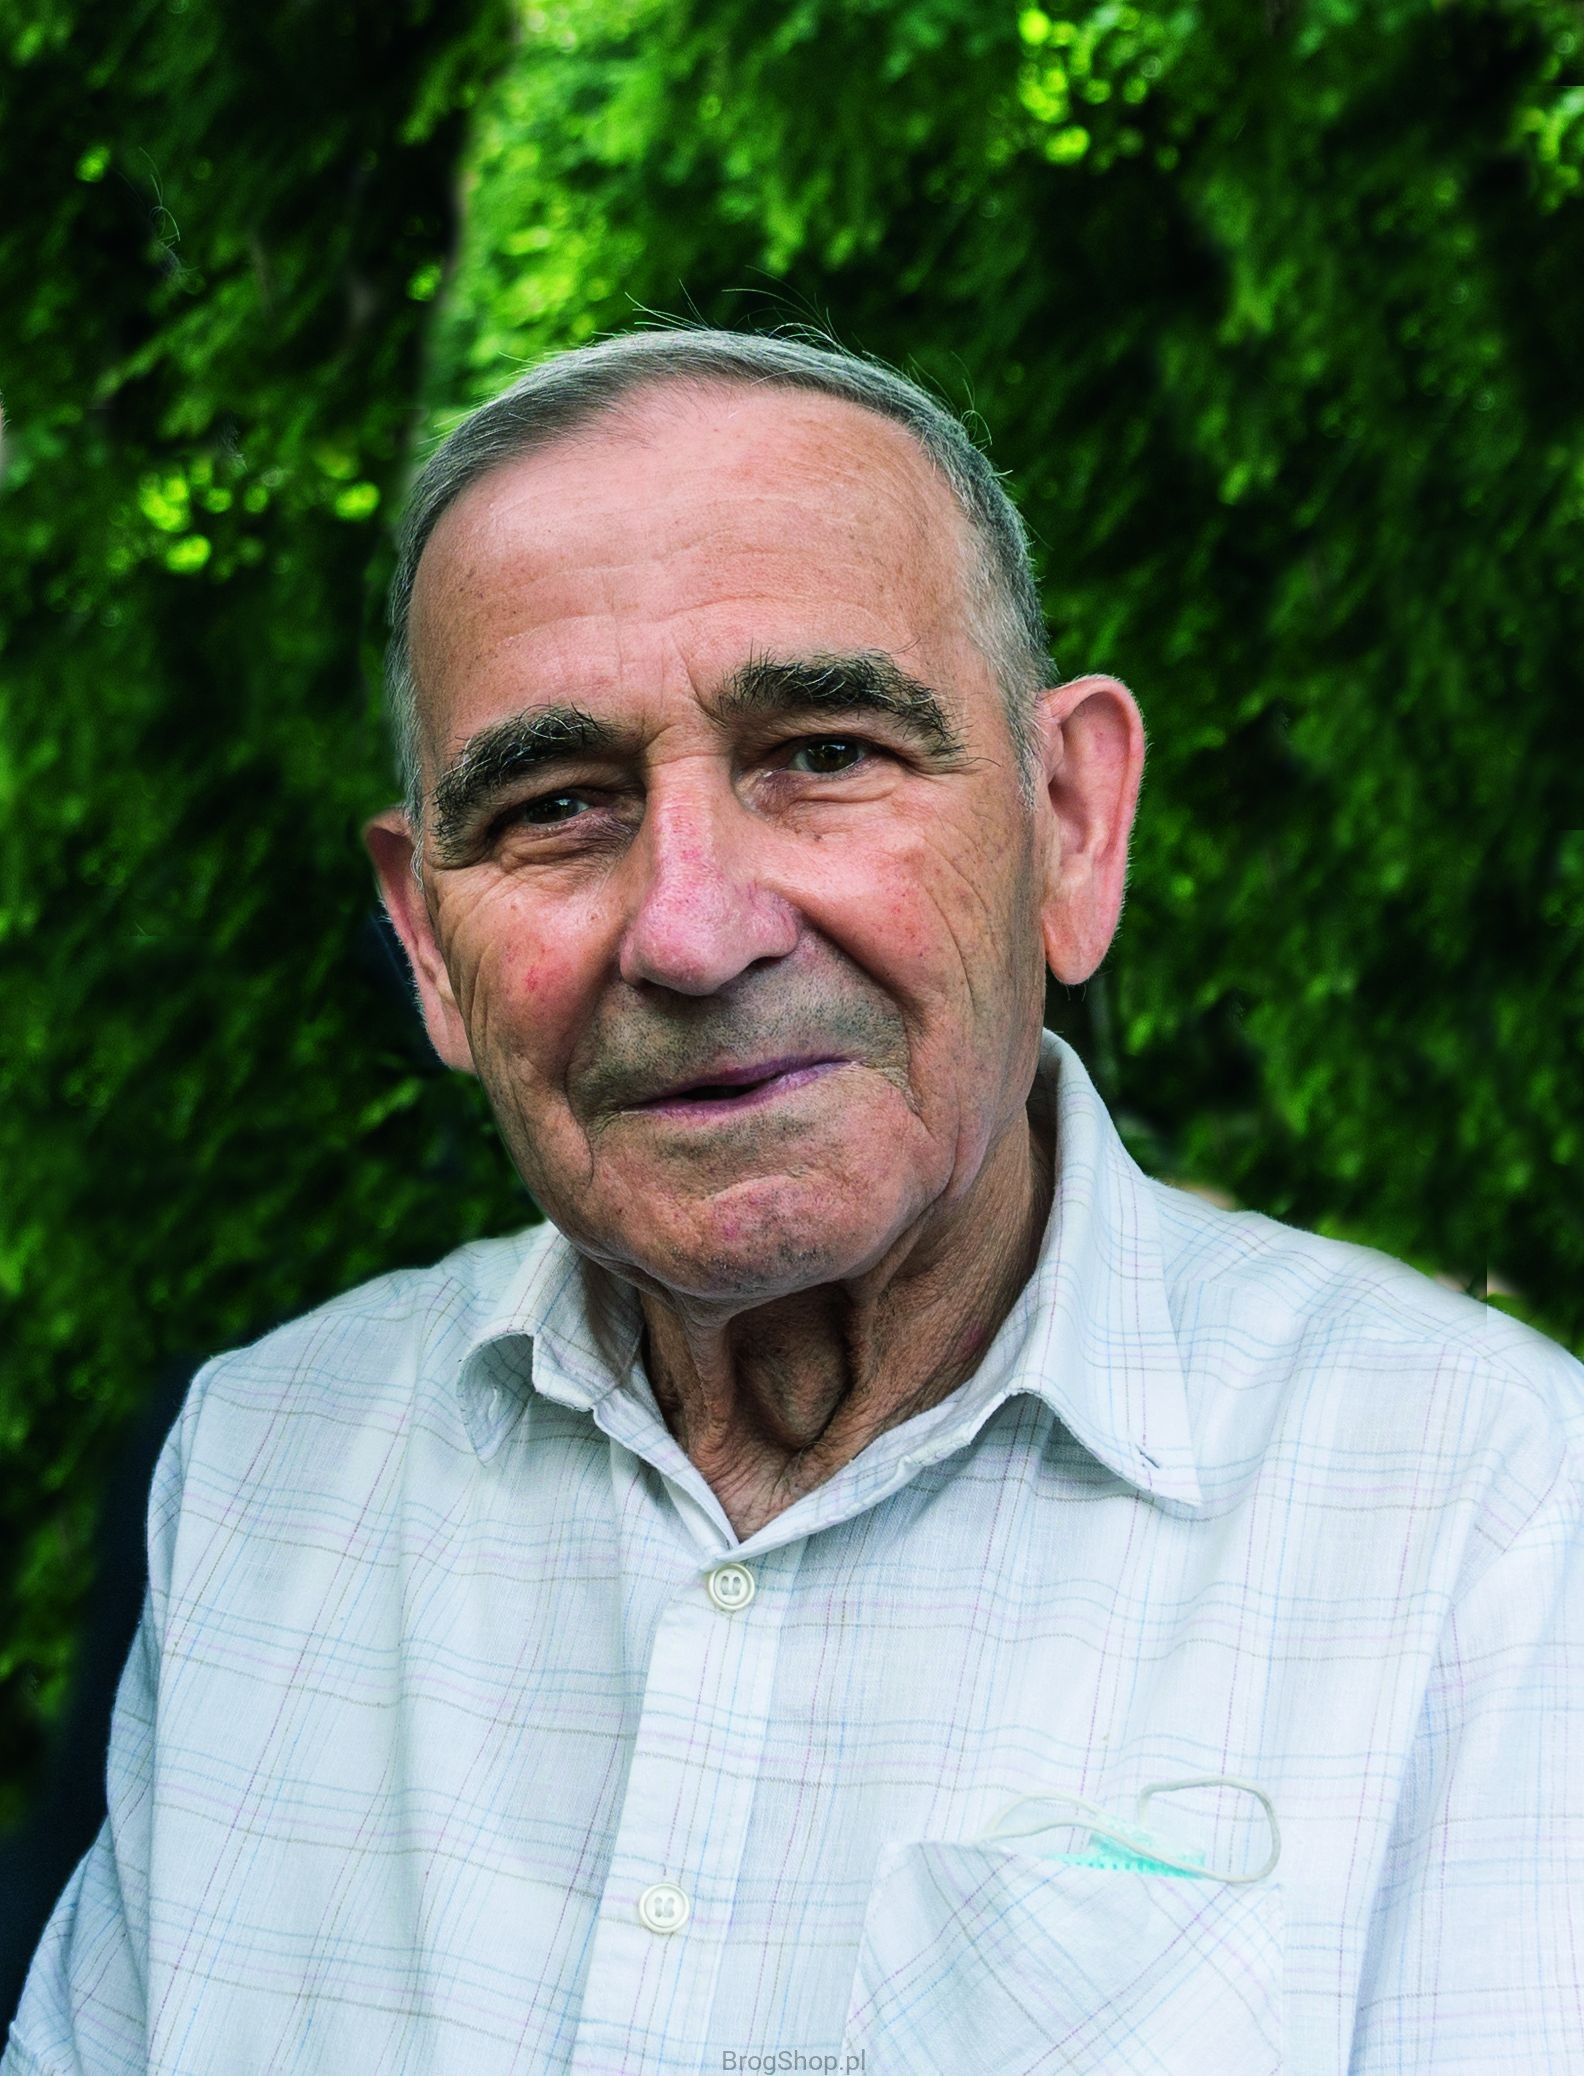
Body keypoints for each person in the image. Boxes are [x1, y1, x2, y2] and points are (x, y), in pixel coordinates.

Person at [6, 328, 1580, 2076]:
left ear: (1072, 825)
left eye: (824, 753)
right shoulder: (260, 1468)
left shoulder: (1489, 1514)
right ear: (429, 944)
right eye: (555, 805)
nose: (693, 930)